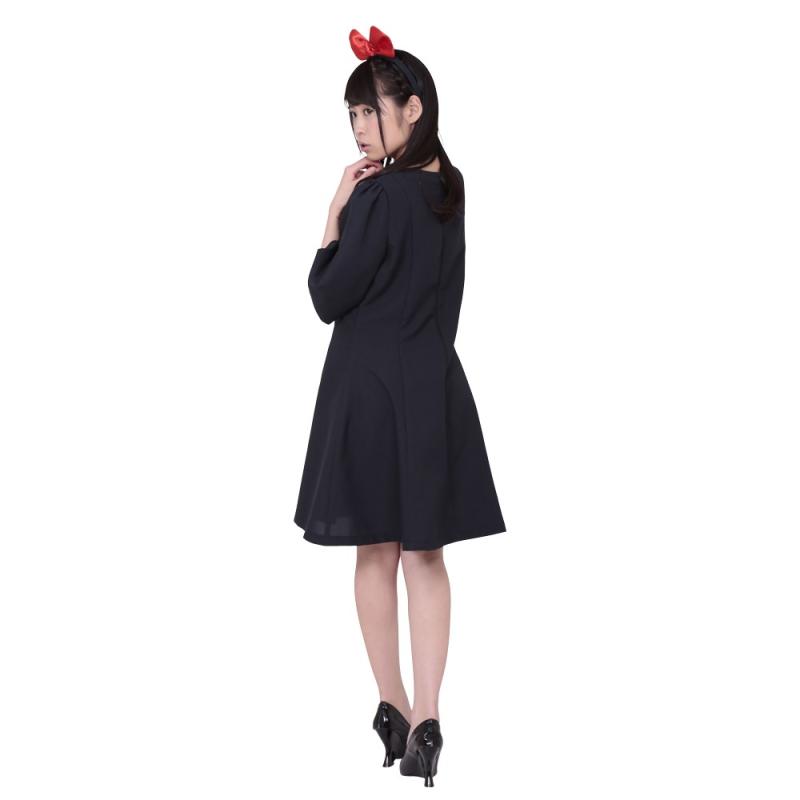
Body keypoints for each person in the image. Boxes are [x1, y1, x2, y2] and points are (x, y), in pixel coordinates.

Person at [293, 26, 507, 786]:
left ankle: (391, 704)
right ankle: (429, 718)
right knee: (427, 554)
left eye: (369, 112)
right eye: (351, 116)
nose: (358, 129)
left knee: (376, 551)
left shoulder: (377, 194)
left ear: (412, 109)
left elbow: (327, 297)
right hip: (432, 383)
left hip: (366, 387)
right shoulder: (451, 188)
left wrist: (333, 213)